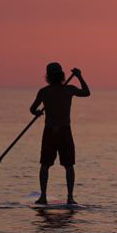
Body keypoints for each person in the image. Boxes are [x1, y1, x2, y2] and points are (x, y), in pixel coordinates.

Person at [30, 62, 90, 205]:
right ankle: (70, 197)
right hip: (64, 131)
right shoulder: (69, 89)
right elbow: (86, 92)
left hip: (51, 131)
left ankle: (44, 196)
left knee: (45, 164)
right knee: (68, 165)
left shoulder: (44, 91)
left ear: (48, 77)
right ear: (62, 75)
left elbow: (32, 109)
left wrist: (37, 112)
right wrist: (79, 76)